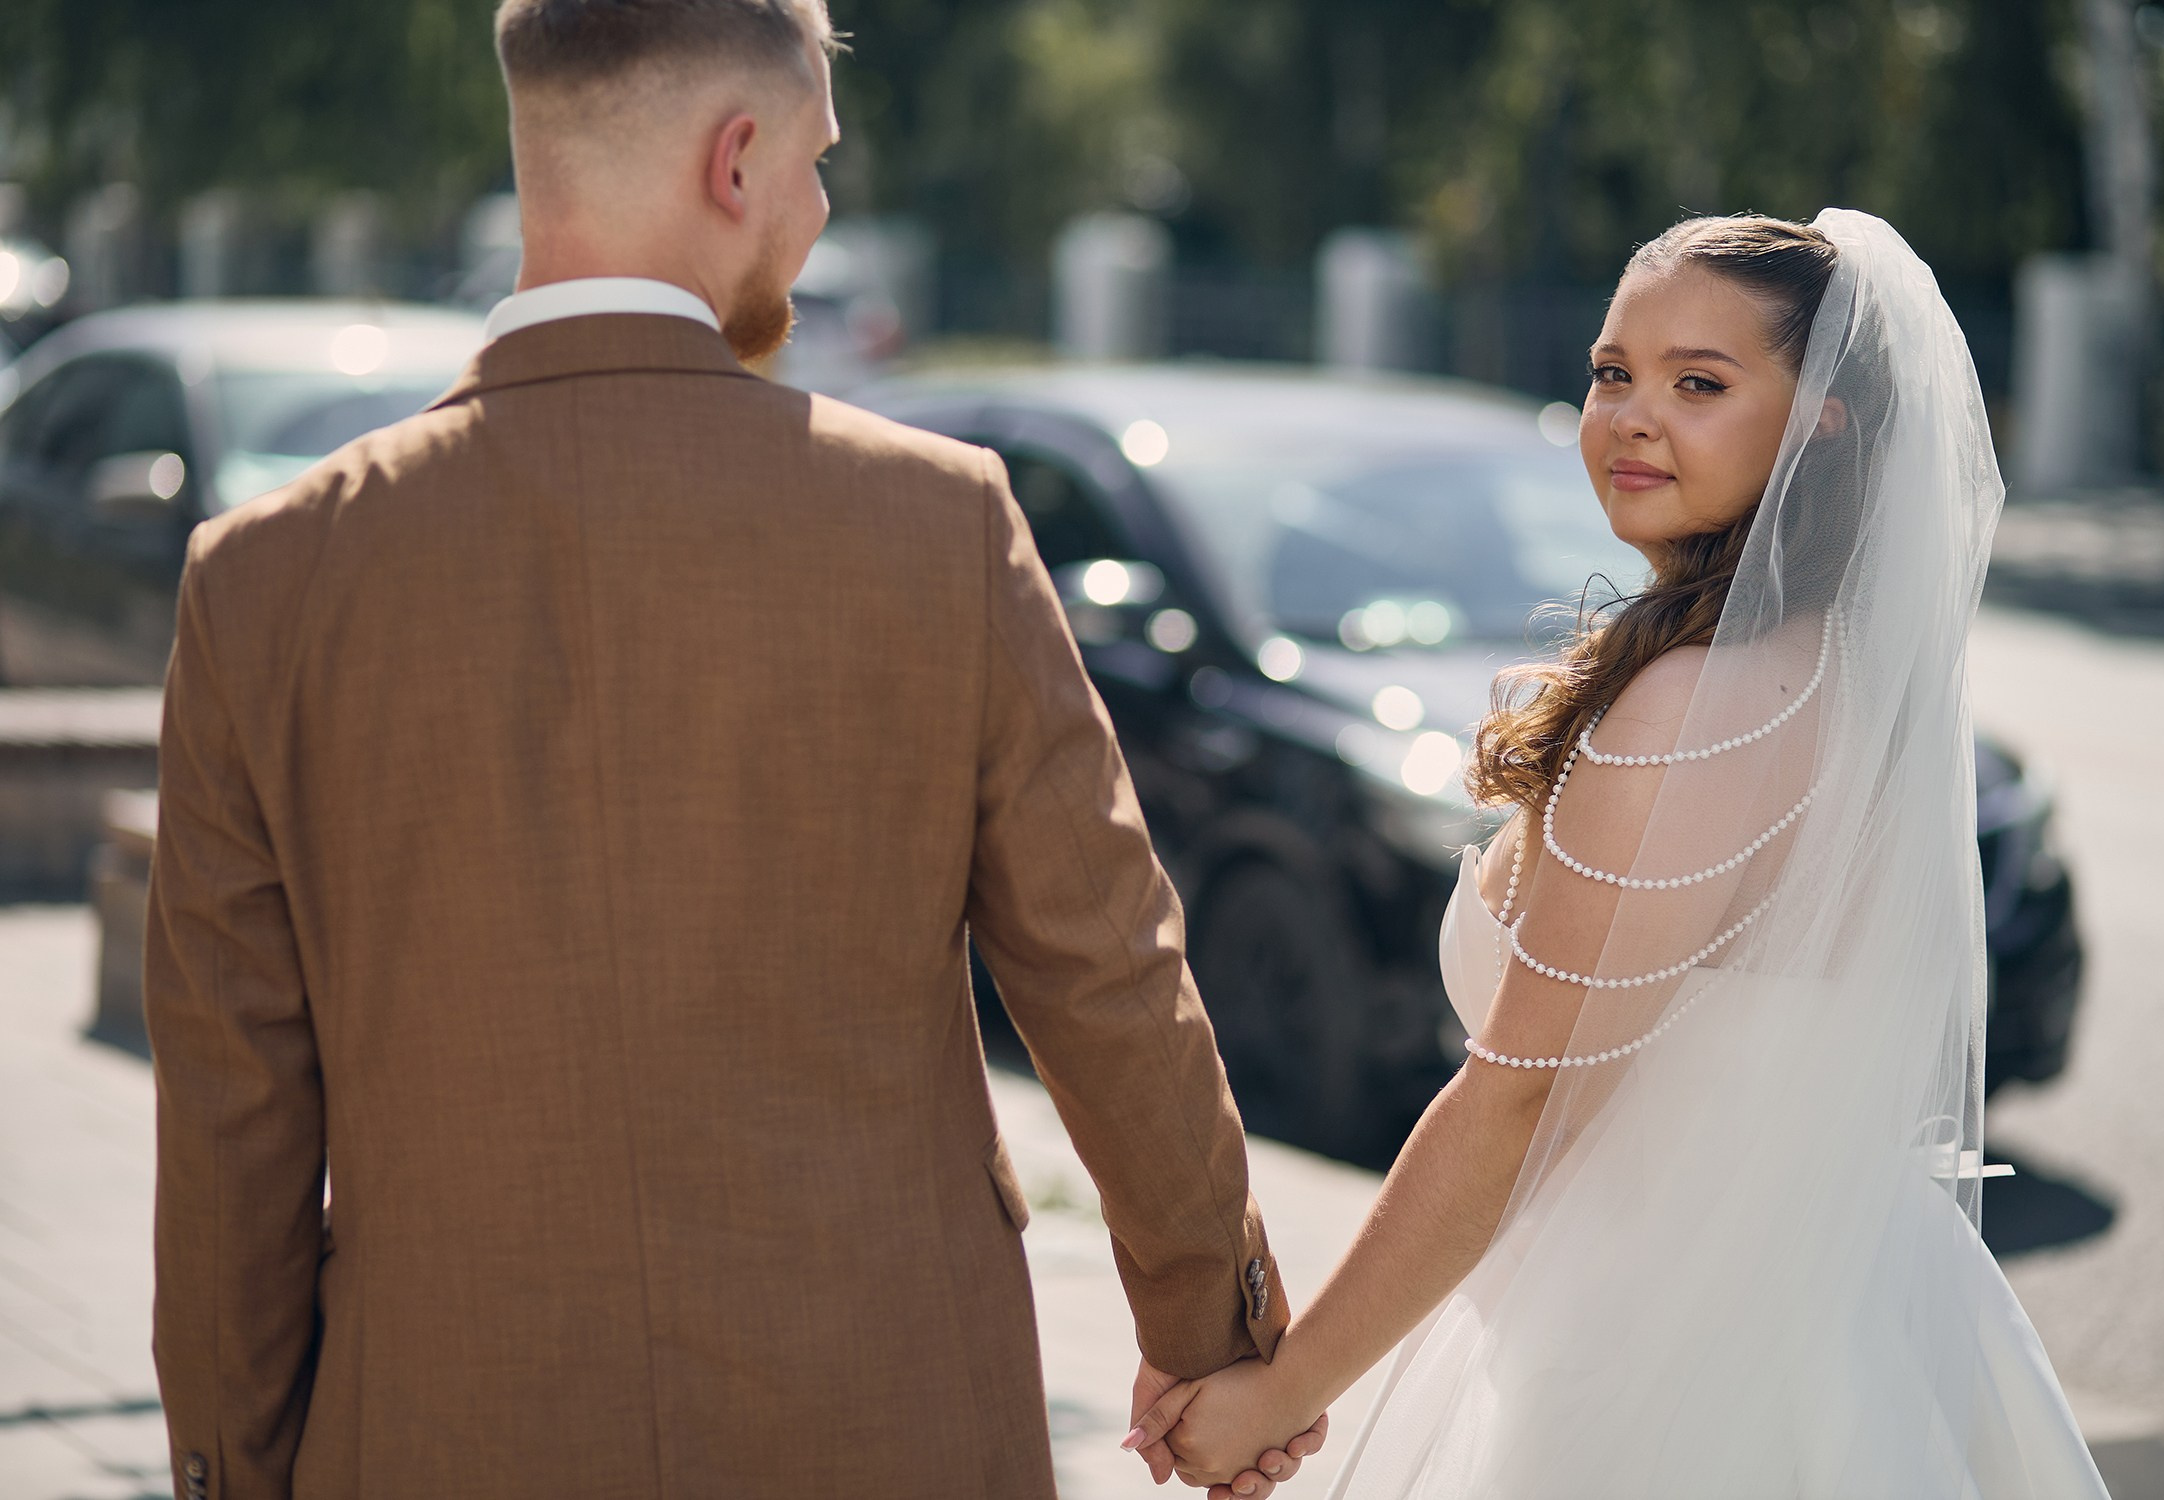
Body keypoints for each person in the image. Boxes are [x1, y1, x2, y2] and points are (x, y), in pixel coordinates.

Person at [141, 1, 1320, 1494]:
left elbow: (233, 1112)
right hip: (885, 1418)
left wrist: (233, 1466)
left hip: (444, 1423)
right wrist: (1220, 1338)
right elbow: (1103, 970)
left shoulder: (262, 578)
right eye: (821, 166)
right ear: (738, 158)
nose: (821, 217)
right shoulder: (937, 522)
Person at [1127, 211, 2114, 1499]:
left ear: (1821, 419)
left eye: (1699, 383)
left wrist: (1286, 1387)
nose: (1631, 416)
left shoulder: (1694, 708)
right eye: (1611, 373)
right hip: (1862, 1314)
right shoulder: (1857, 683)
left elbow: (1523, 1097)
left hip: (1662, 1351)